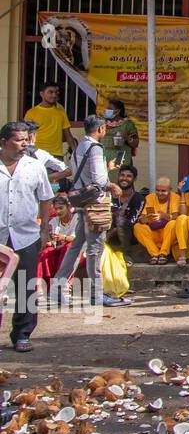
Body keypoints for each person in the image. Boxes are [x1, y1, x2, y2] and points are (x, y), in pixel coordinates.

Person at [53, 114, 122, 306]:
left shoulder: (78, 148)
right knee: (95, 248)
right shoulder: (96, 148)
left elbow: (80, 174)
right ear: (100, 129)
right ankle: (96, 293)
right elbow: (99, 181)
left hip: (82, 201)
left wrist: (106, 169)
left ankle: (58, 287)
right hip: (96, 204)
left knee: (78, 246)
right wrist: (111, 185)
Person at [0, 121, 55, 352]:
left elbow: (45, 198)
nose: (25, 144)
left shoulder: (34, 166)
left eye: (26, 139)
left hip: (27, 236)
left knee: (26, 287)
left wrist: (44, 230)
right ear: (4, 142)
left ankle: (22, 334)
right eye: (19, 140)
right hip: (0, 237)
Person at [133, 177, 182, 264]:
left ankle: (163, 254)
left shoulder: (175, 197)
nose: (160, 193)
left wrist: (164, 216)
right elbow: (142, 217)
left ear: (170, 190)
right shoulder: (150, 198)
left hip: (167, 234)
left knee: (173, 223)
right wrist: (146, 219)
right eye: (157, 190)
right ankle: (154, 254)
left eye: (163, 191)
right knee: (138, 227)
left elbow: (176, 216)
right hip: (153, 232)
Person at [24, 82, 76, 158]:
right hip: (37, 154)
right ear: (42, 94)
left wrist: (75, 151)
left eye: (56, 92)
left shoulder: (61, 113)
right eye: (50, 92)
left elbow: (67, 134)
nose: (54, 95)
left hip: (57, 155)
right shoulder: (31, 113)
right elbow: (26, 134)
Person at [109, 164, 145, 257]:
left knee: (121, 221)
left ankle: (126, 255)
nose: (124, 178)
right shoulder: (109, 195)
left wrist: (113, 231)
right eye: (122, 175)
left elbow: (132, 222)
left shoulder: (138, 198)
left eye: (128, 176)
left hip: (128, 234)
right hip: (108, 230)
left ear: (134, 179)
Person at [102, 99, 139, 171]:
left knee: (118, 176)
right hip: (103, 156)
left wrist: (127, 137)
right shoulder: (102, 123)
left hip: (119, 156)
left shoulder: (127, 124)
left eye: (109, 109)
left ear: (117, 111)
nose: (106, 110)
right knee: (104, 179)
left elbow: (135, 144)